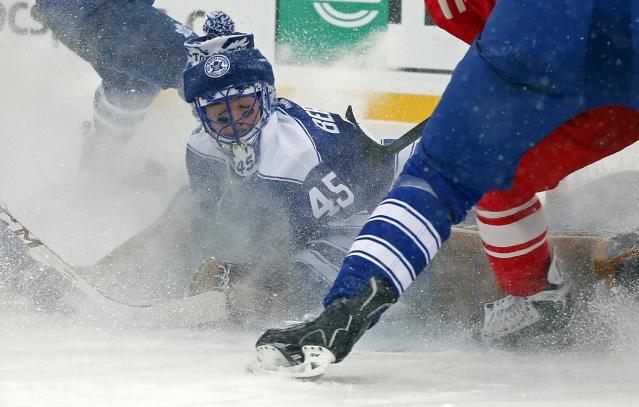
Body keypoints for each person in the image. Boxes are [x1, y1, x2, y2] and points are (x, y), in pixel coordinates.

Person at [254, 0, 639, 376]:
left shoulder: (519, 32)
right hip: (552, 53)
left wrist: (349, 303)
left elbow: (433, 186)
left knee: (469, 171)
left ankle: (540, 298)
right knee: (498, 176)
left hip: (533, 47)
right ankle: (541, 301)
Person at [86, 11, 419, 321]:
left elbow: (337, 232)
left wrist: (239, 281)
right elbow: (202, 217)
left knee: (262, 299)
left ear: (266, 97)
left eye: (244, 107)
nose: (234, 123)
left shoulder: (296, 156)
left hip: (379, 209)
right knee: (184, 210)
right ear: (201, 114)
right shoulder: (201, 147)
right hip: (313, 222)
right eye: (220, 114)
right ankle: (99, 276)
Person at [426, 0, 639, 346]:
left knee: (493, 174)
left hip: (602, 88)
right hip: (608, 70)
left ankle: (537, 301)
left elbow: (511, 60)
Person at [33, 0, 196, 175]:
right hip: (96, 8)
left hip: (79, 10)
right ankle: (217, 182)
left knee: (132, 86)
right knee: (203, 62)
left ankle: (100, 162)